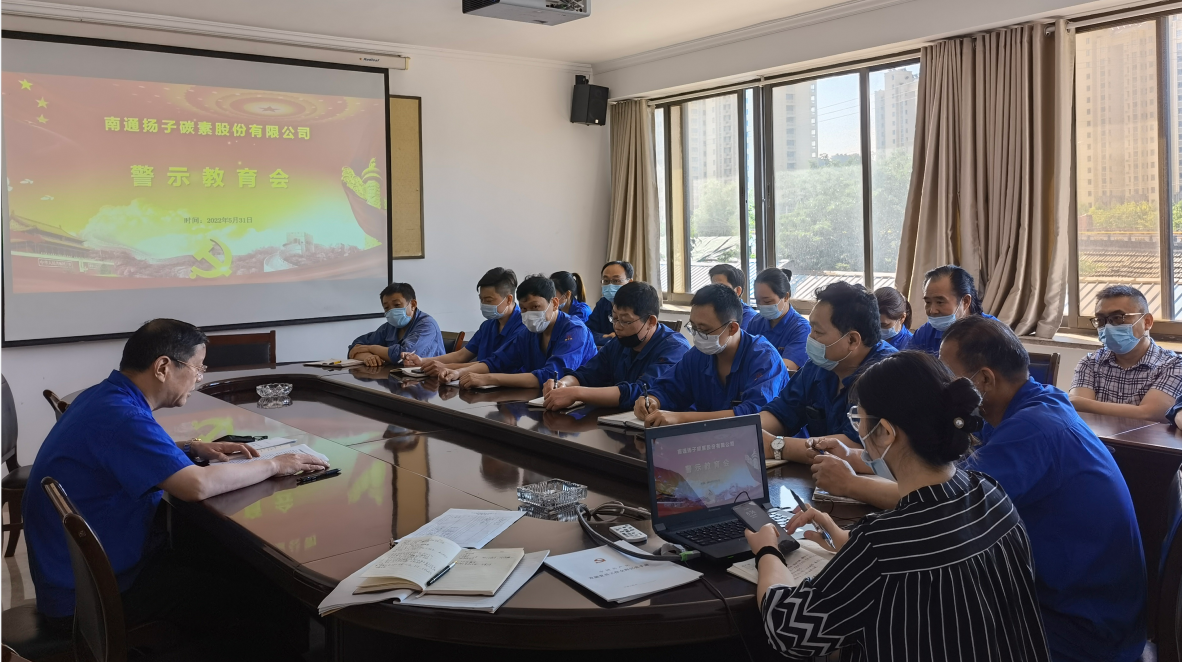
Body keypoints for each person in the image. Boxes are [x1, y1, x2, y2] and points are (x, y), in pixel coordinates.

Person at [23, 320, 328, 656]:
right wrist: (275, 464)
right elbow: (195, 486)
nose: (200, 378)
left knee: (226, 564)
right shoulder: (121, 416)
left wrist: (190, 447)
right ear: (163, 367)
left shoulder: (103, 397)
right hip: (96, 599)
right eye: (197, 368)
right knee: (267, 600)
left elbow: (122, 448)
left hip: (80, 582)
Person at [744, 351, 1049, 661]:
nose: (860, 434)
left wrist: (768, 551)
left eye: (859, 421)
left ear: (887, 432)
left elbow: (788, 631)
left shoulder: (883, 543)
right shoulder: (990, 492)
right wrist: (848, 543)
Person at [939, 315, 1147, 662]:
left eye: (948, 380)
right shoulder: (1038, 401)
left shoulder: (1033, 428)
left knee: (919, 618)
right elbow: (959, 476)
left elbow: (949, 506)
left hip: (1082, 630)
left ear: (985, 379)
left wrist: (857, 483)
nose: (943, 392)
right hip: (1074, 605)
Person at [759, 282, 897, 463]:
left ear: (852, 340)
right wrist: (747, 432)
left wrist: (776, 446)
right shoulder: (821, 365)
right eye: (811, 329)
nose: (810, 338)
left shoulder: (887, 375)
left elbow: (856, 449)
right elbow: (781, 413)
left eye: (818, 331)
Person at [633, 283, 788, 427]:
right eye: (693, 327)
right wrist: (653, 400)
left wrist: (681, 418)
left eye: (705, 330)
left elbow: (753, 416)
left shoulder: (764, 358)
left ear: (732, 328)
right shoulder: (698, 355)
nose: (697, 335)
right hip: (708, 440)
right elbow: (670, 388)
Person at [543, 281, 689, 411]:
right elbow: (588, 373)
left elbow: (642, 393)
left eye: (625, 321)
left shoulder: (675, 348)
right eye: (614, 318)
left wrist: (576, 393)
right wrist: (563, 384)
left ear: (651, 321)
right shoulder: (619, 342)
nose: (617, 327)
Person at [441, 274, 597, 389]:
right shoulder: (528, 333)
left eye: (535, 307)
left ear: (555, 303)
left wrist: (488, 379)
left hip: (581, 408)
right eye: (523, 309)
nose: (529, 314)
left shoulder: (574, 330)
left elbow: (551, 375)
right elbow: (497, 362)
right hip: (541, 401)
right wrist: (460, 373)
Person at [1070, 285, 1182, 421]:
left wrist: (1081, 403)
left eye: (1118, 318)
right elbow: (1079, 413)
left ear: (1147, 322)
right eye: (1100, 320)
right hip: (1095, 436)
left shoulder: (1173, 365)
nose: (1108, 327)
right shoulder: (1090, 362)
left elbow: (1150, 414)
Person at [404, 267, 526, 375]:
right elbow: (461, 355)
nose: (484, 304)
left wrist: (447, 367)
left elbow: (494, 364)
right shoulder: (488, 325)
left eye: (488, 300)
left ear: (509, 299)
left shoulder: (523, 326)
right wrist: (422, 361)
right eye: (481, 299)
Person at [906, 264, 996, 354]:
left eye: (940, 302)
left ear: (965, 301)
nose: (932, 310)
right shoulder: (925, 334)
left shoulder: (993, 334)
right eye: (928, 302)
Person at [349, 282, 444, 367]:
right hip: (395, 377)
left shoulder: (427, 325)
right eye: (386, 307)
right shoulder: (390, 327)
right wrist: (368, 356)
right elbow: (355, 348)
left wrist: (371, 348)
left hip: (428, 378)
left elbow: (403, 355)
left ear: (413, 304)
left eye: (397, 305)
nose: (391, 311)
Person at [745, 267, 809, 370]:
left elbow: (784, 368)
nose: (762, 306)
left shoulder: (801, 329)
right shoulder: (756, 322)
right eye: (758, 301)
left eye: (767, 301)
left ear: (786, 297)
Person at [587, 260, 633, 346]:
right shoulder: (602, 303)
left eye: (616, 281)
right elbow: (587, 333)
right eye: (606, 281)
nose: (610, 285)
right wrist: (605, 337)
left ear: (629, 282)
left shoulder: (637, 306)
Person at [708, 263, 758, 330]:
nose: (716, 292)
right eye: (713, 287)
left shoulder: (750, 318)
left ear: (737, 291)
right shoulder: (712, 311)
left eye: (722, 288)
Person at [874, 285, 912, 350]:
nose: (878, 330)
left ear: (902, 318)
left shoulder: (911, 345)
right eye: (874, 324)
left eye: (884, 325)